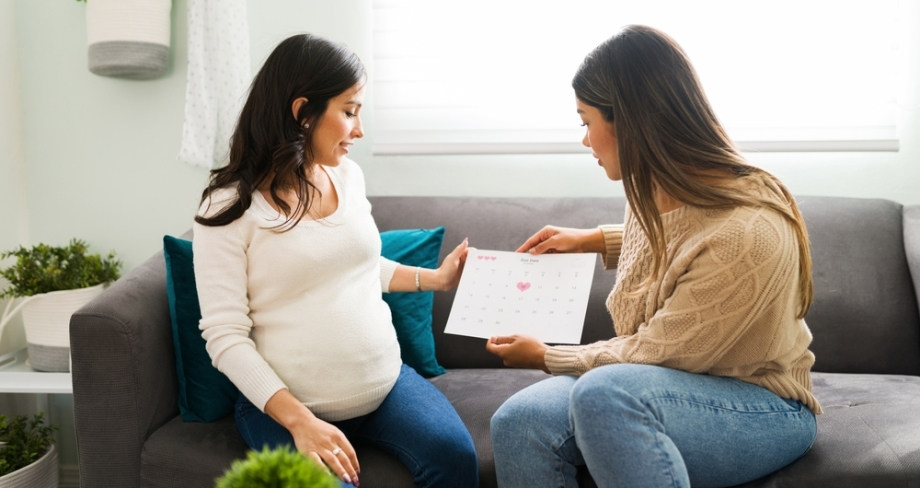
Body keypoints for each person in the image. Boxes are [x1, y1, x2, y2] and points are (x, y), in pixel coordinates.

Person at [485, 25, 821, 488]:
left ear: (627, 121)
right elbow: (687, 242)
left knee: (605, 393)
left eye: (586, 122)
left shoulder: (751, 233)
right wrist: (594, 240)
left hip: (762, 403)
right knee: (517, 421)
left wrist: (548, 356)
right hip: (660, 384)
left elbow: (658, 351)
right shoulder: (656, 184)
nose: (584, 140)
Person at [192, 34, 478, 488]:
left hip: (386, 385)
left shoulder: (347, 175)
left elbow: (358, 266)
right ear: (303, 112)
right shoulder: (227, 209)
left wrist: (436, 279)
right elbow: (225, 338)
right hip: (289, 408)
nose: (359, 131)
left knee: (457, 458)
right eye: (349, 112)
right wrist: (300, 422)